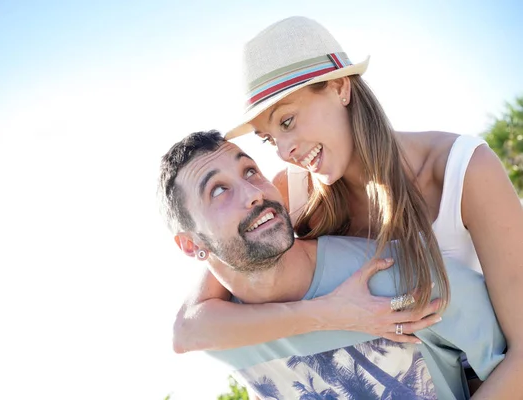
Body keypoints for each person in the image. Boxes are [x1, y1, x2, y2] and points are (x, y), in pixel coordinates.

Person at [173, 16, 523, 396]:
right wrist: (330, 314)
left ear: (340, 87)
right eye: (268, 139)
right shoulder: (290, 192)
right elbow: (189, 327)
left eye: (287, 121)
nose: (285, 151)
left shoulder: (464, 171)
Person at [157, 130, 505, 399]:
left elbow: (509, 365)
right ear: (191, 244)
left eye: (250, 171)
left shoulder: (402, 281)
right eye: (218, 191)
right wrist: (331, 314)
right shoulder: (224, 338)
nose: (253, 192)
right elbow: (185, 333)